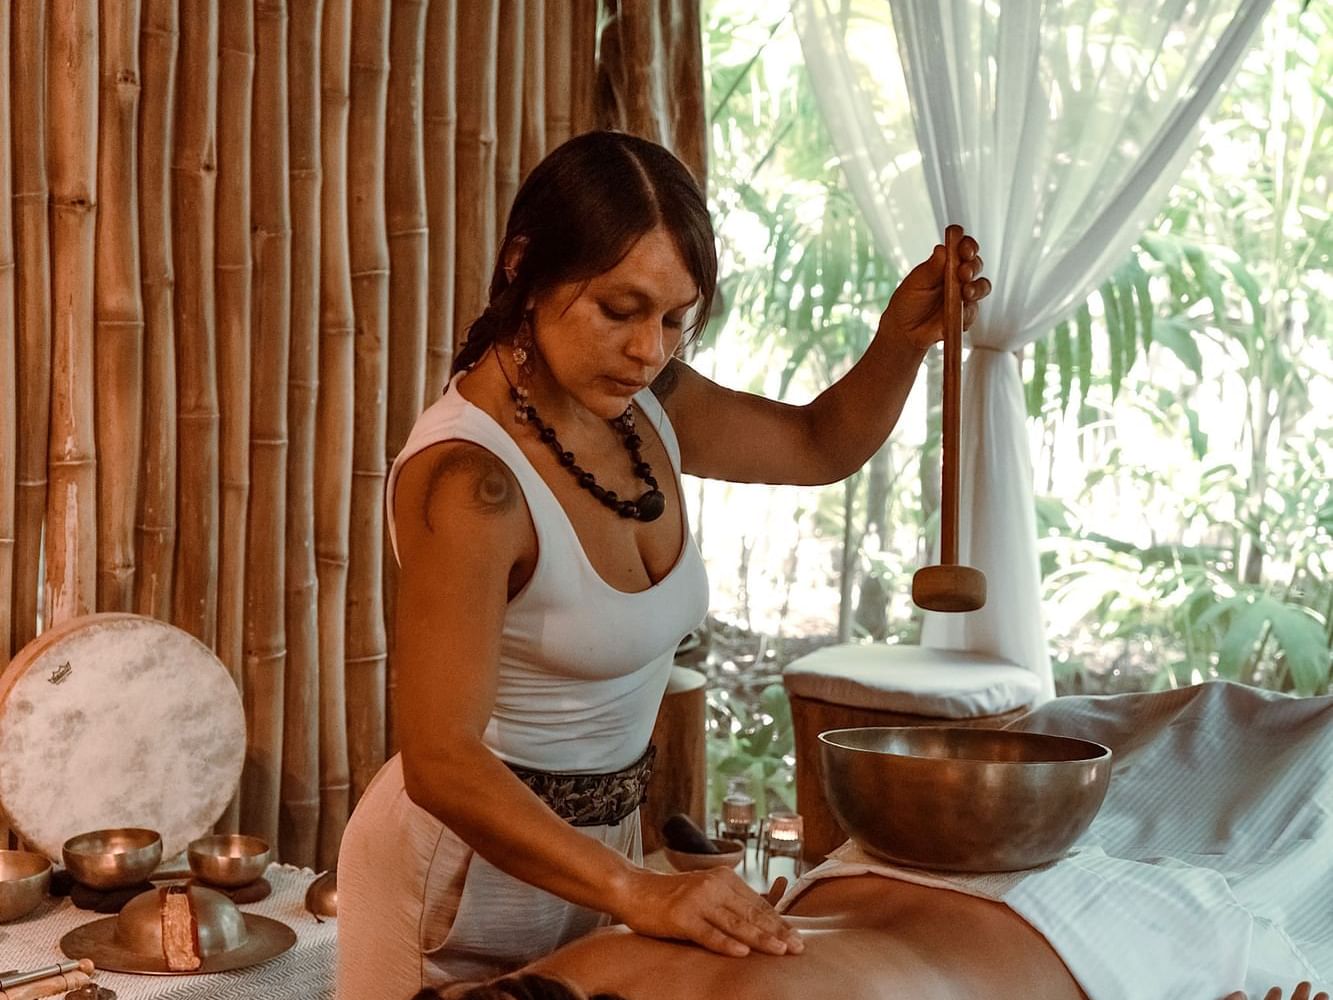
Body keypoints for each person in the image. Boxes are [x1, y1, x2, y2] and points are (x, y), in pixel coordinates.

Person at [336, 129, 991, 999]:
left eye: (675, 318)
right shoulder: (471, 483)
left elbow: (816, 442)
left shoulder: (650, 404)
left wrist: (901, 341)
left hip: (598, 855)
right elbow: (442, 760)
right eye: (619, 309)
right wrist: (640, 892)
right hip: (459, 873)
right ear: (524, 266)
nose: (649, 349)